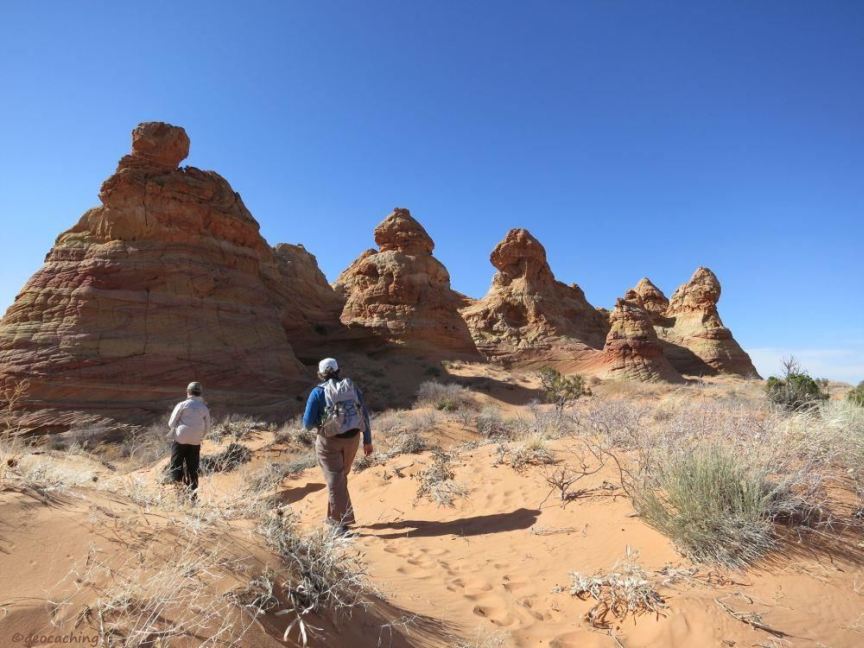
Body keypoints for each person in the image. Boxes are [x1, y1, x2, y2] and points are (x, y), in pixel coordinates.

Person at [303, 358, 373, 532]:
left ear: (320, 374)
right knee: (339, 480)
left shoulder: (317, 392)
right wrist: (368, 440)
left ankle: (339, 525)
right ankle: (334, 517)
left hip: (329, 442)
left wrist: (321, 422)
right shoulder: (351, 388)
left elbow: (307, 424)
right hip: (353, 439)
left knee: (335, 481)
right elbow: (363, 413)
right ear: (338, 370)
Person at [167, 381, 211, 501]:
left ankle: (180, 494)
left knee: (176, 465)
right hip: (195, 441)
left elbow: (171, 423)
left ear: (188, 392)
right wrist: (199, 436)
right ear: (200, 393)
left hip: (180, 439)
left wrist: (178, 429)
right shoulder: (204, 408)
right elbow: (207, 427)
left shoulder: (182, 405)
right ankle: (193, 497)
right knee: (193, 469)